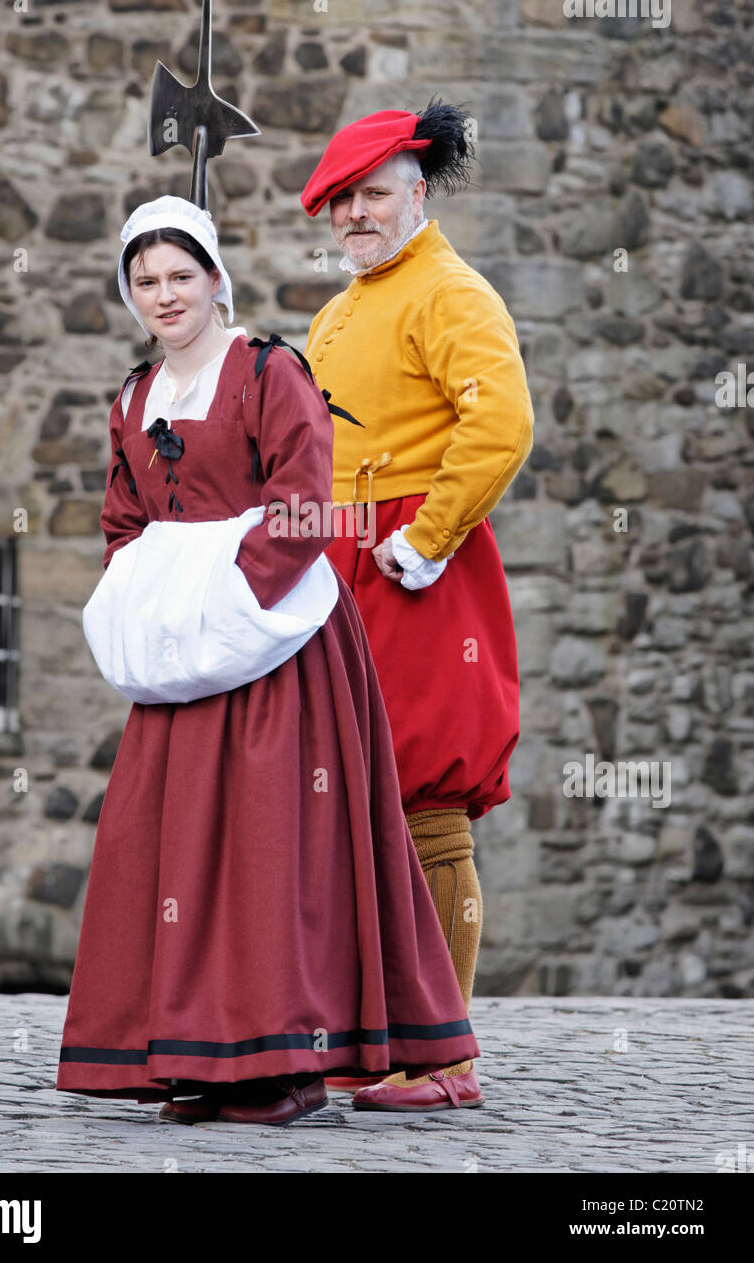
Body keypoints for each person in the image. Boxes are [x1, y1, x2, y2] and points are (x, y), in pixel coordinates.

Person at [55, 194, 486, 1125]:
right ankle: (204, 1057)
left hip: (277, 650)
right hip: (184, 667)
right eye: (145, 281)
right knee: (177, 857)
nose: (163, 296)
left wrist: (228, 600)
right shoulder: (134, 397)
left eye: (180, 277)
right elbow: (123, 522)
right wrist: (151, 605)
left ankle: (288, 1063)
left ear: (216, 280)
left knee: (269, 849)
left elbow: (302, 503)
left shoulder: (268, 372)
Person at [300, 104, 534, 1111]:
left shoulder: (449, 290)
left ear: (418, 191)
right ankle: (379, 1039)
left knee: (429, 799)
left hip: (412, 572)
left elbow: (503, 423)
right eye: (344, 198)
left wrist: (428, 539)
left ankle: (445, 1057)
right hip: (339, 572)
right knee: (356, 804)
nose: (358, 212)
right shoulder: (343, 307)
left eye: (375, 192)